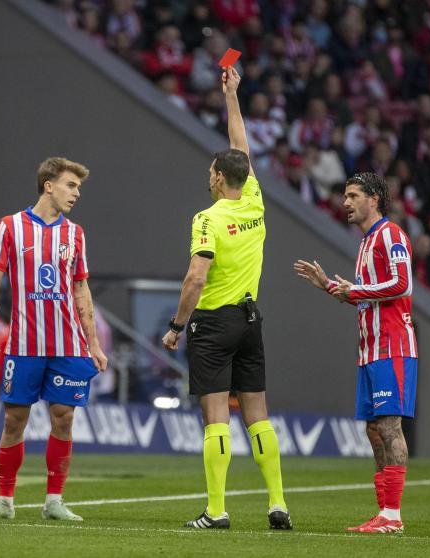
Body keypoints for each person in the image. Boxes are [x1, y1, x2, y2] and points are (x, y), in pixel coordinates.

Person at [161, 66, 291, 531]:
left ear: (217, 177)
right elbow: (242, 149)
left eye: (211, 171)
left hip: (214, 323)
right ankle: (278, 502)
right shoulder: (254, 201)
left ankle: (216, 510)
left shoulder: (208, 219)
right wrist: (232, 97)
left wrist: (177, 326)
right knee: (258, 414)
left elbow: (196, 278)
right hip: (250, 321)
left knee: (216, 415)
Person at [0, 157, 107, 522]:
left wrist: (93, 342)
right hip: (23, 344)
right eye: (70, 185)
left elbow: (81, 289)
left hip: (68, 344)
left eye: (78, 188)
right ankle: (4, 501)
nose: (76, 194)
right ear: (49, 185)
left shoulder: (75, 234)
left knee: (63, 418)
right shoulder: (10, 227)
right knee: (14, 419)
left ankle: (54, 501)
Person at [294, 171, 417, 534]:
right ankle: (383, 512)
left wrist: (356, 291)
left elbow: (402, 283)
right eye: (345, 196)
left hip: (392, 347)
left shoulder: (391, 235)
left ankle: (392, 516)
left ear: (373, 199)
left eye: (352, 195)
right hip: (369, 349)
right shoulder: (365, 243)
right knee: (375, 431)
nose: (345, 202)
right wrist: (330, 286)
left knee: (390, 427)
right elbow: (363, 296)